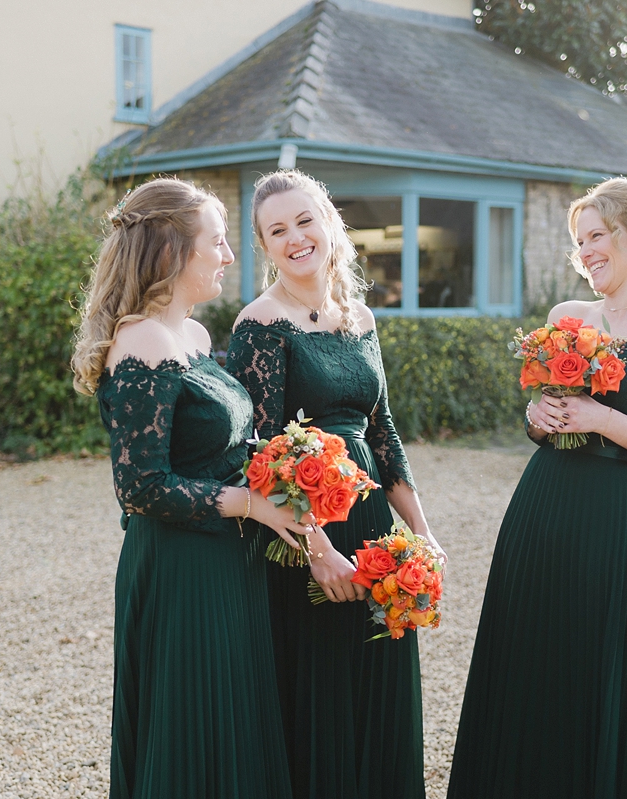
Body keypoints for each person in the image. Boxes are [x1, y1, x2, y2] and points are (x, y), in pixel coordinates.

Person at [446, 177, 627, 798]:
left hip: (618, 520)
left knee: (607, 660)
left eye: (597, 236)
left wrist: (607, 420)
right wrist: (538, 416)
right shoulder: (567, 319)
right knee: (534, 660)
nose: (586, 250)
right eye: (578, 241)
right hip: (543, 510)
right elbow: (545, 418)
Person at [71, 177, 304, 799]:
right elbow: (140, 485)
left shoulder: (196, 338)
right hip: (180, 565)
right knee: (193, 726)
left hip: (228, 557)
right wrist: (248, 503)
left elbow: (221, 446)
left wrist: (296, 471)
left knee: (234, 718)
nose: (230, 256)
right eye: (219, 242)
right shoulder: (141, 340)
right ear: (173, 253)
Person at [225, 169, 444, 799]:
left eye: (304, 221)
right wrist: (317, 551)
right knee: (320, 686)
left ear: (328, 224)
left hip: (373, 526)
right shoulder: (261, 324)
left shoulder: (360, 317)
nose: (295, 238)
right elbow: (257, 454)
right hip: (304, 536)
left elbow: (385, 435)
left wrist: (422, 536)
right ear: (265, 247)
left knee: (378, 676)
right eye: (277, 230)